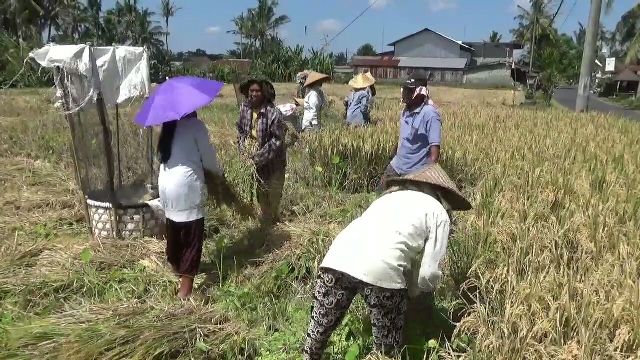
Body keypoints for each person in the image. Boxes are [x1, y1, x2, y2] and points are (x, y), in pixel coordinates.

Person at [303, 163, 472, 360]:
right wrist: (417, 296)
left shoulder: (387, 198)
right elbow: (428, 273)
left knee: (317, 336)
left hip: (337, 258)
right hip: (383, 271)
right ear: (443, 194)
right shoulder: (438, 213)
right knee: (386, 351)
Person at [157, 111, 222, 299]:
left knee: (174, 230)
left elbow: (161, 157)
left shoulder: (167, 125)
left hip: (167, 186)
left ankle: (176, 267)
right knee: (192, 237)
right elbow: (209, 159)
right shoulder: (196, 126)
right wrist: (218, 177)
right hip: (187, 186)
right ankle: (185, 290)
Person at [377, 69, 442, 192]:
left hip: (415, 172)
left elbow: (434, 153)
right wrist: (392, 157)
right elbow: (403, 138)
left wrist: (426, 178)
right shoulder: (406, 111)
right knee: (378, 195)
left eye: (409, 91)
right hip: (397, 166)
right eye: (405, 90)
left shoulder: (430, 114)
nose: (405, 94)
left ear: (420, 92)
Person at [237, 79, 288, 226]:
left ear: (264, 93)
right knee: (260, 191)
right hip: (253, 158)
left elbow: (276, 141)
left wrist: (257, 157)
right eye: (251, 91)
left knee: (273, 193)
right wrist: (243, 150)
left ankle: (273, 220)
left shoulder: (273, 113)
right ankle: (266, 220)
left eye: (257, 91)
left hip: (273, 161)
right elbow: (240, 131)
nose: (253, 94)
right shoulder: (244, 108)